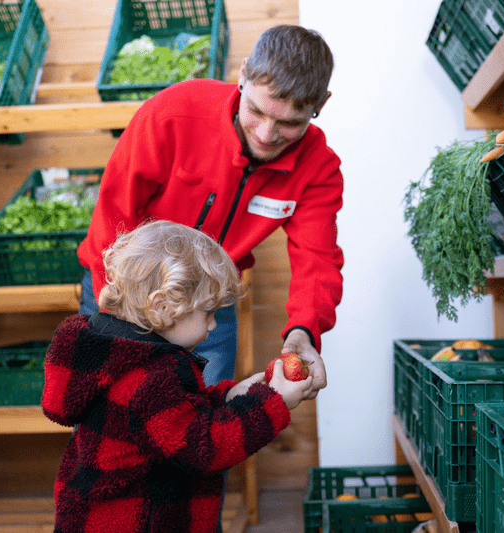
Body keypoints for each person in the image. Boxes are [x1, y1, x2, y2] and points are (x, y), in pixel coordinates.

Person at [77, 24, 343, 399]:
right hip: (124, 290)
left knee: (204, 431)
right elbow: (115, 212)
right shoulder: (172, 112)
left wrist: (304, 329)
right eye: (256, 111)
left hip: (209, 309)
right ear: (243, 74)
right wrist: (125, 310)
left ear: (322, 104)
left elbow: (317, 260)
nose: (266, 135)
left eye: (289, 123)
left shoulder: (319, 169)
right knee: (108, 425)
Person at [42, 220, 313, 533]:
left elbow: (176, 417)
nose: (213, 326)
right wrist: (271, 403)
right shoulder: (152, 375)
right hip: (142, 522)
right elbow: (202, 448)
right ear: (162, 305)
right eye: (207, 313)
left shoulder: (117, 355)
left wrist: (233, 396)